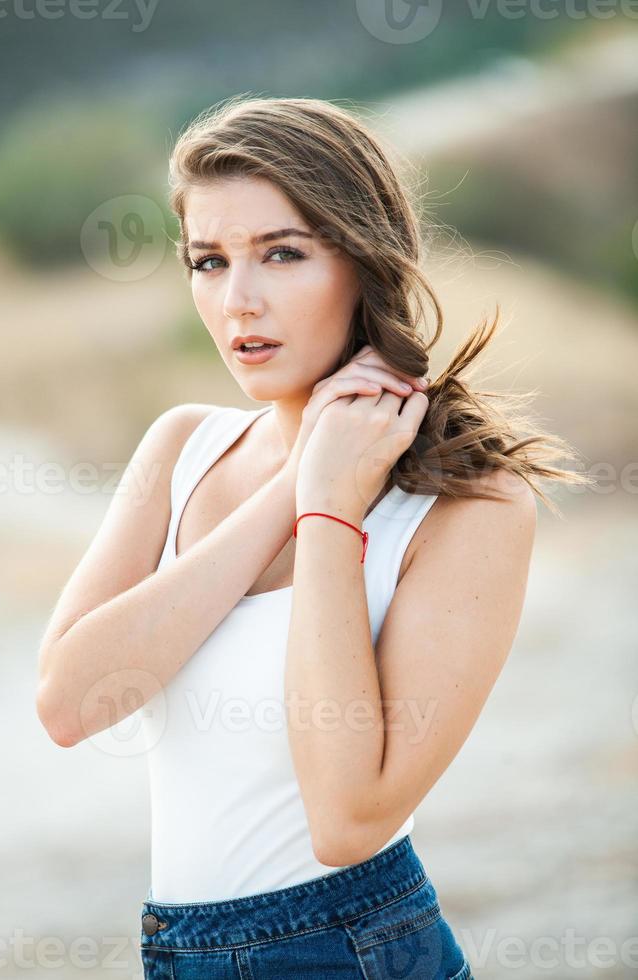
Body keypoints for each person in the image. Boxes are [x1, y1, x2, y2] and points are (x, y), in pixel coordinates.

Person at [36, 95, 592, 979]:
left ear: (365, 261)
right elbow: (71, 704)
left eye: (282, 254)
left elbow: (346, 817)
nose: (238, 301)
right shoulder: (183, 446)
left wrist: (332, 514)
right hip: (176, 954)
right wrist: (298, 486)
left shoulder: (469, 506)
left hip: (351, 950)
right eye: (208, 261)